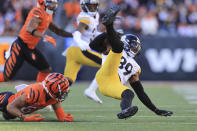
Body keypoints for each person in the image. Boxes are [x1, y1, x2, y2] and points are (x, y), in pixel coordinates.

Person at [91, 6, 173, 119]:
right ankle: (108, 24)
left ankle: (125, 110)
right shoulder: (113, 48)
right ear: (126, 43)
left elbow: (141, 92)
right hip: (106, 74)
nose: (135, 50)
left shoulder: (135, 67)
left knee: (129, 94)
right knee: (118, 48)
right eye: (134, 47)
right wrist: (108, 33)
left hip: (111, 84)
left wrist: (156, 110)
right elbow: (93, 45)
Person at [0, 0, 72, 83]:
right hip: (20, 46)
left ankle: (38, 89)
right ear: (44, 3)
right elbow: (30, 29)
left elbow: (57, 30)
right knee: (6, 77)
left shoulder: (48, 15)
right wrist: (44, 36)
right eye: (51, 4)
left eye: (55, 4)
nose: (53, 6)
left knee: (45, 69)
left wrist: (73, 34)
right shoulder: (37, 11)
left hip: (30, 48)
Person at [63, 0, 102, 104]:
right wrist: (80, 43)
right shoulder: (85, 17)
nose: (93, 8)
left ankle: (45, 95)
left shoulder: (95, 16)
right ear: (84, 6)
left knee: (66, 82)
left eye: (94, 6)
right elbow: (77, 33)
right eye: (90, 6)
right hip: (79, 50)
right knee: (107, 64)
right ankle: (91, 90)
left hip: (72, 51)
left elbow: (93, 33)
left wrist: (104, 35)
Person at [0, 73, 73, 122]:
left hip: (16, 110)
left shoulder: (53, 97)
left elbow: (60, 115)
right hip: (6, 101)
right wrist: (25, 117)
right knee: (9, 111)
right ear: (52, 90)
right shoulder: (35, 92)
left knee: (8, 116)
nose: (63, 93)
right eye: (62, 91)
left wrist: (63, 117)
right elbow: (10, 107)